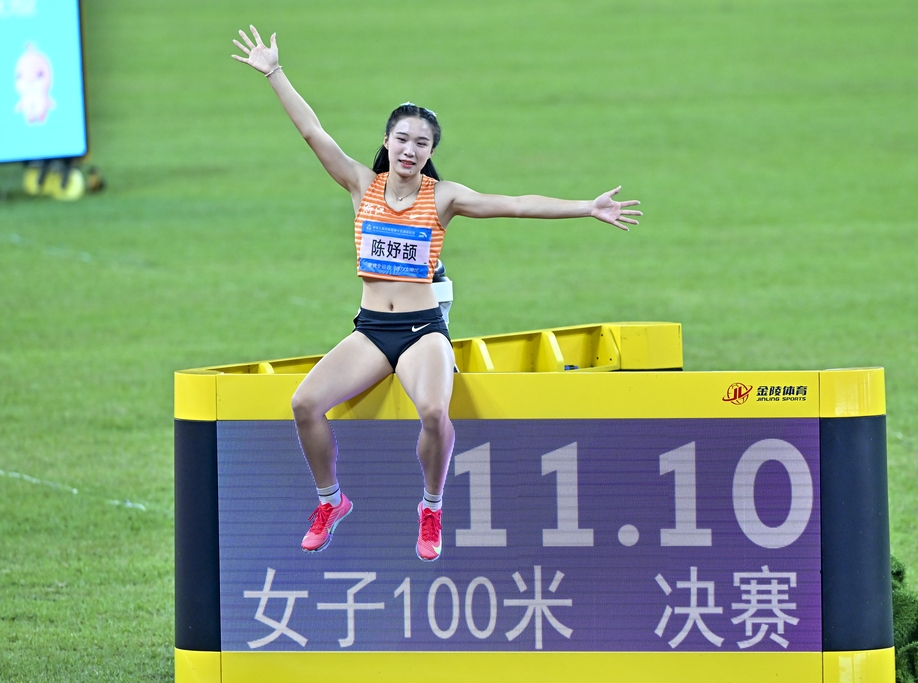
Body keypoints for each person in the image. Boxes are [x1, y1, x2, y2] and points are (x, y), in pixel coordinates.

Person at [231, 26, 641, 562]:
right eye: (401, 138)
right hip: (371, 331)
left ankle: (431, 506)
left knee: (432, 413)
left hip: (423, 331)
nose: (409, 149)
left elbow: (514, 203)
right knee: (304, 403)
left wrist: (585, 206)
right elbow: (313, 132)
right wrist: (275, 73)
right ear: (386, 142)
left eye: (421, 143)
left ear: (430, 153)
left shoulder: (443, 197)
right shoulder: (360, 184)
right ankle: (330, 501)